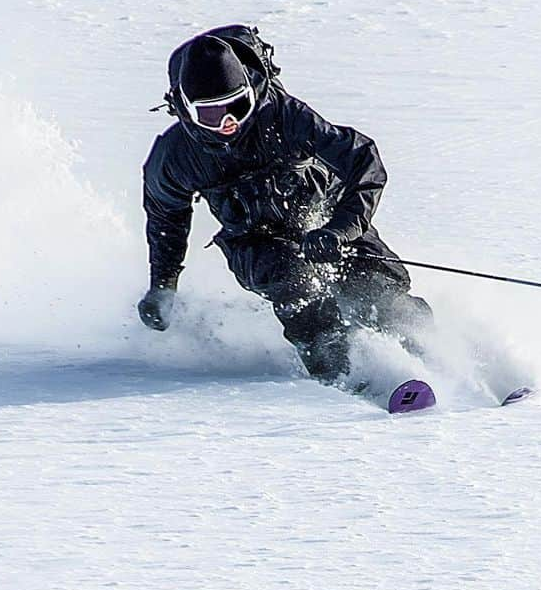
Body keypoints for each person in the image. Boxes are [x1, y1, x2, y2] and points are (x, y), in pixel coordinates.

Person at [137, 25, 432, 385]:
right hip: (254, 241)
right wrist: (162, 286)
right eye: (212, 115)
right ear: (187, 110)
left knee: (375, 290)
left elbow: (362, 160)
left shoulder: (283, 116)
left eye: (238, 106)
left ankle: (442, 357)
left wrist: (339, 230)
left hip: (324, 218)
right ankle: (347, 375)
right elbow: (166, 219)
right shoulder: (176, 157)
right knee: (296, 284)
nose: (229, 122)